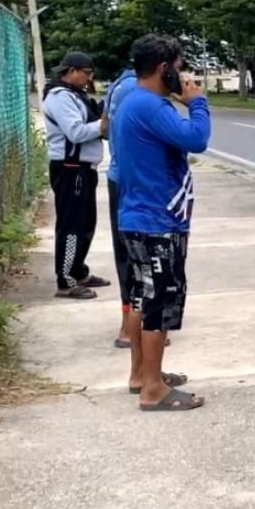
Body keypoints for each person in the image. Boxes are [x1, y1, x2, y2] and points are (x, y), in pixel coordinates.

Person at [113, 34, 210, 412]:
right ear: (163, 68)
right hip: (156, 220)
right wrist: (197, 103)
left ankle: (142, 374)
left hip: (141, 215)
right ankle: (153, 389)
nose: (183, 75)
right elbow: (196, 138)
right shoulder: (151, 106)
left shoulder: (132, 101)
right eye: (180, 66)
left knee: (143, 296)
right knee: (159, 301)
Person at [41, 51, 112, 299]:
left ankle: (78, 271)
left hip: (83, 169)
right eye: (87, 73)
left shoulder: (74, 95)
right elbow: (76, 132)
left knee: (86, 225)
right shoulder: (60, 97)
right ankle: (67, 281)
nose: (89, 78)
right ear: (71, 71)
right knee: (71, 227)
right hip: (70, 170)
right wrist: (103, 124)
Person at [102, 66, 148, 349]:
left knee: (126, 253)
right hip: (136, 182)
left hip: (118, 177)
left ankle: (128, 325)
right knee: (143, 255)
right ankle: (133, 328)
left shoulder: (117, 85)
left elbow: (105, 128)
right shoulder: (140, 92)